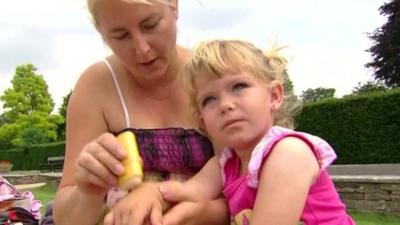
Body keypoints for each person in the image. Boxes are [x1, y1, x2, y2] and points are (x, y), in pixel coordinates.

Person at [108, 39, 356, 225]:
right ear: (203, 123)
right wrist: (149, 194)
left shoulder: (288, 153)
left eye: (238, 86)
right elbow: (189, 191)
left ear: (274, 96)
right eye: (209, 100)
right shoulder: (225, 164)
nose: (226, 105)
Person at [52, 0, 229, 225]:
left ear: (174, 7)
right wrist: (88, 192)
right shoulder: (95, 86)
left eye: (150, 25)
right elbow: (66, 220)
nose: (141, 48)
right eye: (120, 36)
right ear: (101, 31)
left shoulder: (213, 78)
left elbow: (245, 193)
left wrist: (199, 211)